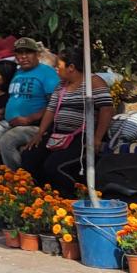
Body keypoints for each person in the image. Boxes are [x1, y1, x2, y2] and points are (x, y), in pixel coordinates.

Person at [21, 47, 115, 195]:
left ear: (71, 67)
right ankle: (41, 196)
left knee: (54, 166)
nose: (56, 70)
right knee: (29, 156)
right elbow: (51, 110)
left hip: (82, 136)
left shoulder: (94, 82)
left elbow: (107, 110)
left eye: (58, 66)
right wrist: (40, 132)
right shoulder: (61, 85)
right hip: (58, 134)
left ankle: (73, 198)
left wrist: (97, 138)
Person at [0, 37, 58, 168]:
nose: (24, 57)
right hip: (8, 122)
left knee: (7, 141)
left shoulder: (46, 72)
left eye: (28, 52)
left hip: (33, 125)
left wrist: (29, 118)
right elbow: (16, 97)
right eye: (20, 53)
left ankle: (16, 182)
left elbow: (54, 103)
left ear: (37, 54)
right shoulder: (18, 73)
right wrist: (4, 110)